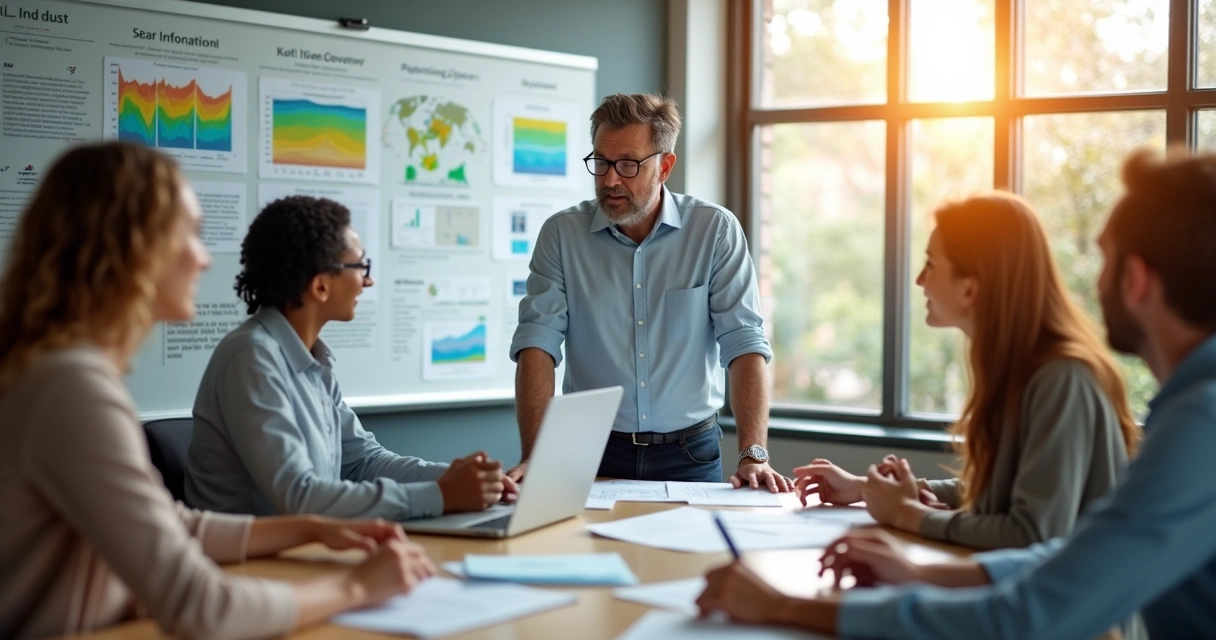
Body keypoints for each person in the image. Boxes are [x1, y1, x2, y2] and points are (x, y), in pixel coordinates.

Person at [697, 148, 1216, 639]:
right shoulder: (1186, 410)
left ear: (1138, 279)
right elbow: (1074, 552)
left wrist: (784, 605)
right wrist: (921, 566)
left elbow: (1030, 600)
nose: (1094, 282)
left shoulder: (1195, 421)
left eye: (1105, 261)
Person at [0, 142, 436, 639]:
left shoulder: (61, 374)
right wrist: (357, 587)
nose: (205, 259)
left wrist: (310, 528)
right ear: (131, 249)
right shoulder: (71, 389)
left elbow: (172, 526)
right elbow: (200, 609)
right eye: (189, 235)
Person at [793, 193, 1140, 550]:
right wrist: (866, 488)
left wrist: (907, 514)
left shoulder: (1062, 378)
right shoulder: (1019, 368)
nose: (919, 280)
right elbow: (1002, 494)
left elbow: (1033, 531)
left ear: (971, 288)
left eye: (930, 264)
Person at [508, 93, 790, 491]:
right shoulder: (561, 235)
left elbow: (743, 343)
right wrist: (536, 456)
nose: (610, 179)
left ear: (665, 166)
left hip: (691, 453)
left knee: (696, 556)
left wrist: (753, 453)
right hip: (590, 450)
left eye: (628, 164)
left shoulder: (714, 230)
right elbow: (538, 344)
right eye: (601, 162)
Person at [184, 196, 515, 520]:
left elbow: (362, 462)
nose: (368, 280)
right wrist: (441, 495)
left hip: (304, 552)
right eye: (360, 266)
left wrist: (459, 481)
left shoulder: (312, 359)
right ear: (321, 286)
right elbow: (298, 496)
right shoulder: (251, 357)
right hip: (252, 565)